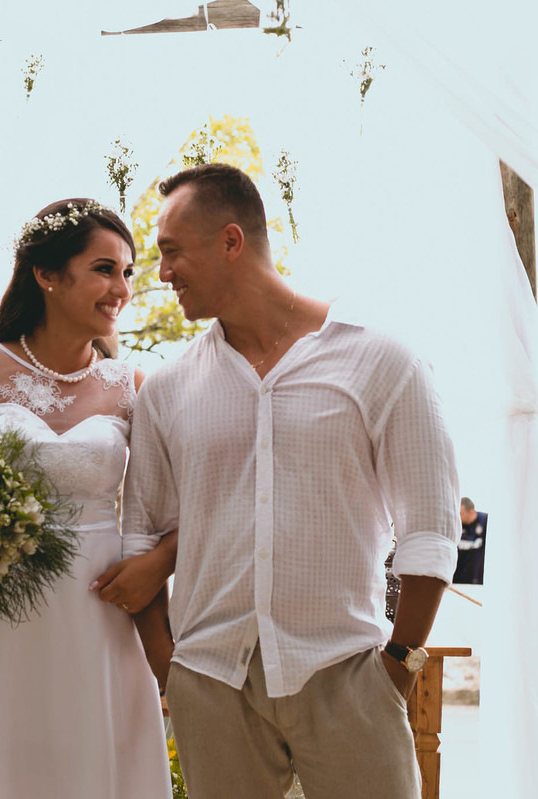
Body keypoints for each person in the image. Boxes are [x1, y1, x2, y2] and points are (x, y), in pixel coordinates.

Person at [111, 163, 460, 799]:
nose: (161, 274)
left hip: (349, 675)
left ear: (231, 241)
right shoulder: (166, 390)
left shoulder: (383, 361)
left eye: (171, 252)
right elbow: (140, 535)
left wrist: (398, 667)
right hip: (211, 683)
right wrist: (172, 675)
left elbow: (431, 532)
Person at [0, 199, 172, 798]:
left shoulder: (134, 388)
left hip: (99, 610)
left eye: (128, 272)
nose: (121, 288)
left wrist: (157, 566)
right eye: (105, 269)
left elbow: (166, 511)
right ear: (46, 275)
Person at [453, 497, 487, 585]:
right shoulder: (455, 524)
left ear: (471, 512)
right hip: (456, 579)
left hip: (476, 580)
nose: (458, 517)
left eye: (461, 513)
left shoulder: (485, 521)